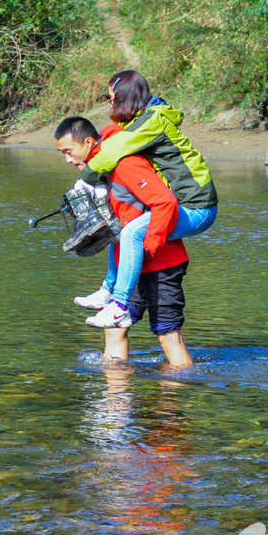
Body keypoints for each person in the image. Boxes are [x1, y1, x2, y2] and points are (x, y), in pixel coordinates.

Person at [74, 71, 218, 328]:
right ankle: (107, 291)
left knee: (132, 232)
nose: (110, 104)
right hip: (186, 203)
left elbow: (111, 151)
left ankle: (118, 306)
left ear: (125, 97)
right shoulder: (143, 121)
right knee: (118, 226)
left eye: (111, 98)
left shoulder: (151, 122)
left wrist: (86, 178)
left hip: (197, 207)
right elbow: (113, 137)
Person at [54, 116, 193, 368]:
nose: (67, 159)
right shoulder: (102, 171)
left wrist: (149, 246)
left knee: (168, 335)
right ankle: (116, 392)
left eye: (69, 151)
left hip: (162, 261)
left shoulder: (126, 164)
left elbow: (165, 202)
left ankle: (178, 390)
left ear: (88, 142)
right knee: (114, 328)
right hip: (132, 266)